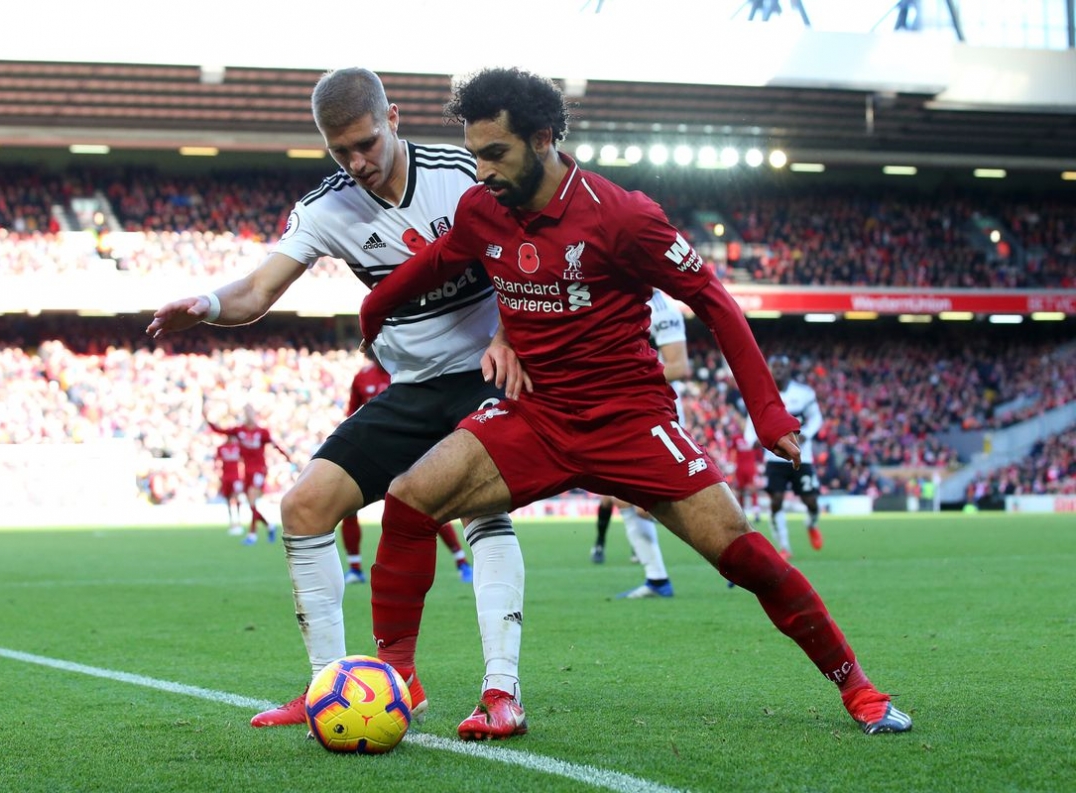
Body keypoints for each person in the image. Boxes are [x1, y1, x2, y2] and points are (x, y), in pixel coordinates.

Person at [358, 67, 911, 737]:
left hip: (630, 422)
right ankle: (396, 682)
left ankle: (859, 687)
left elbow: (712, 299)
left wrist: (768, 412)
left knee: (741, 551)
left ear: (543, 139)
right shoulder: (483, 209)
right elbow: (444, 258)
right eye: (473, 154)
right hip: (535, 415)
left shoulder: (622, 215)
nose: (481, 171)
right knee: (411, 497)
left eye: (495, 154)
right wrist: (377, 304)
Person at [146, 67, 528, 740]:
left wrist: (507, 334)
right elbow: (258, 291)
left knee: (480, 506)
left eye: (365, 142)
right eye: (339, 150)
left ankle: (501, 690)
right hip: (411, 390)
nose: (357, 162)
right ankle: (328, 687)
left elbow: (534, 255)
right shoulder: (327, 208)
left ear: (394, 118)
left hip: (484, 376)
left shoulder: (460, 175)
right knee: (303, 506)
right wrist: (204, 304)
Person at [341, 349, 473, 585]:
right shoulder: (361, 378)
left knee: (428, 507)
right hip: (371, 453)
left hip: (407, 452)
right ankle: (354, 568)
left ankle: (461, 562)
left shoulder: (406, 372)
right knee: (346, 508)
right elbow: (351, 416)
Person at [598, 288, 692, 598]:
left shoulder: (663, 307)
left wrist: (622, 384)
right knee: (621, 498)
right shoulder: (612, 292)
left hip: (655, 412)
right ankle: (657, 580)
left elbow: (679, 367)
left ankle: (734, 546)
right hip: (625, 411)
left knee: (646, 507)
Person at [743, 355, 824, 557]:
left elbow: (816, 418)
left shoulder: (804, 393)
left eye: (782, 367)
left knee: (811, 501)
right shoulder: (761, 395)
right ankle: (785, 547)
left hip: (802, 457)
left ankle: (811, 524)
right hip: (775, 457)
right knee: (776, 500)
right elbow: (751, 421)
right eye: (774, 367)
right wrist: (750, 439)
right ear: (769, 370)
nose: (778, 371)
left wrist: (806, 435)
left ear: (789, 370)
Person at [206, 404, 291, 545]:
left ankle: (252, 535)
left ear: (255, 414)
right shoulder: (239, 431)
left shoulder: (262, 432)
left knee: (251, 499)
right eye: (246, 412)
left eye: (250, 412)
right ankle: (269, 525)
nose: (248, 415)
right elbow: (219, 430)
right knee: (251, 504)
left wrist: (287, 456)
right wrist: (207, 418)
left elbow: (275, 445)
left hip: (259, 470)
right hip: (246, 471)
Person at [215, 436, 247, 536]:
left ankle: (238, 521)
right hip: (226, 477)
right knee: (228, 499)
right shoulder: (221, 448)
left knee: (236, 498)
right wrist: (218, 475)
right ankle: (231, 522)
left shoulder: (238, 447)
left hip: (236, 477)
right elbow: (217, 462)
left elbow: (243, 460)